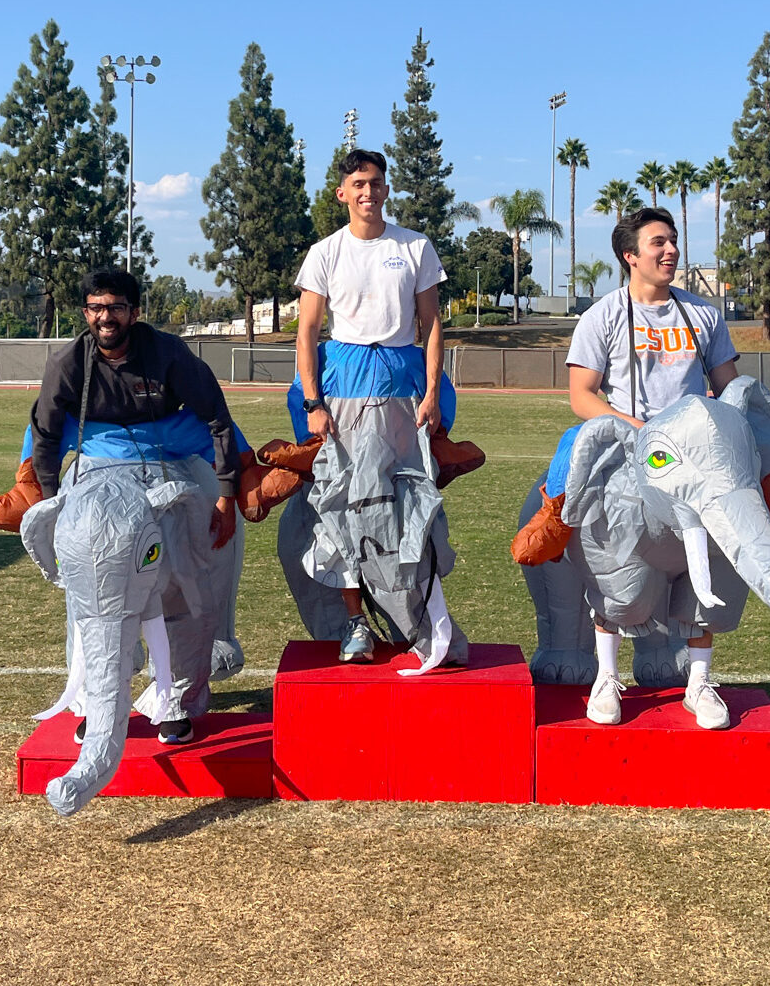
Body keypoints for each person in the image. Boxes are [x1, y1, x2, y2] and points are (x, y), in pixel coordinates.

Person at [31, 267, 239, 743]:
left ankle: (178, 699)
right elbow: (44, 435)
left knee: (185, 586)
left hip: (169, 472)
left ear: (135, 312)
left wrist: (225, 497)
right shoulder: (68, 363)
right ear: (85, 312)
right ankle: (96, 701)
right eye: (97, 308)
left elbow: (218, 419)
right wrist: (52, 509)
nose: (106, 318)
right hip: (95, 476)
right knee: (91, 596)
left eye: (117, 308)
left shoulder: (168, 353)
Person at [289, 147, 465, 668]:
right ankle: (356, 624)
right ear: (342, 192)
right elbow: (307, 332)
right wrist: (314, 402)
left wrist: (432, 392)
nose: (368, 192)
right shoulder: (324, 253)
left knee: (412, 503)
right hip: (342, 388)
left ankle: (426, 618)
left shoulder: (414, 248)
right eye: (358, 183)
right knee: (340, 505)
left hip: (404, 387)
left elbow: (431, 325)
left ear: (387, 190)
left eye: (377, 183)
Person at [564, 207, 739, 728]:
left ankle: (699, 684)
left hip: (696, 464)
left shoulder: (703, 315)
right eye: (658, 243)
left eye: (674, 242)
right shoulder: (603, 315)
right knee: (614, 562)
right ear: (630, 255)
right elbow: (581, 395)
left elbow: (728, 386)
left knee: (709, 566)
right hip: (628, 456)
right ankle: (606, 677)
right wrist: (637, 430)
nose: (670, 251)